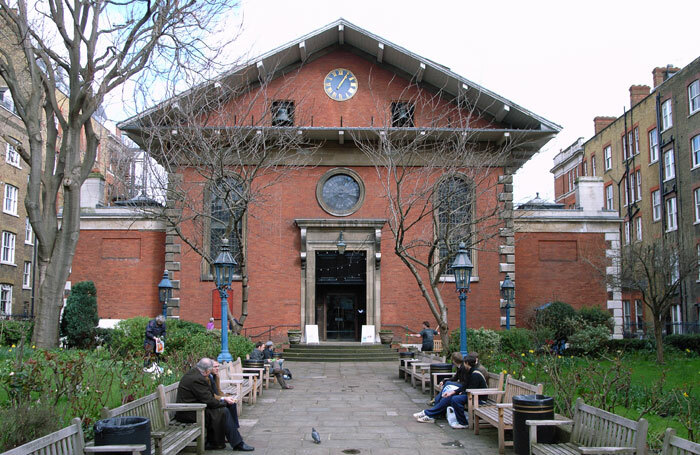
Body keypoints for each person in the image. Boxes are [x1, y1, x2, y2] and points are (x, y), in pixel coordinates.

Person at [175, 358, 254, 452]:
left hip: (196, 407)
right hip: (189, 412)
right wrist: (222, 403)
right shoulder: (197, 379)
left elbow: (208, 397)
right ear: (207, 371)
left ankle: (229, 439)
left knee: (227, 407)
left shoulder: (196, 373)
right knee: (223, 411)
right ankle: (234, 443)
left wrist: (223, 401)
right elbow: (209, 400)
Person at [413, 352, 466, 423]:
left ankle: (429, 412)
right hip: (459, 387)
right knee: (443, 392)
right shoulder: (459, 367)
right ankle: (433, 413)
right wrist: (444, 380)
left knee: (446, 391)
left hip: (461, 388)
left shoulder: (464, 368)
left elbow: (465, 383)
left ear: (453, 360)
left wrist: (448, 384)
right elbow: (455, 378)